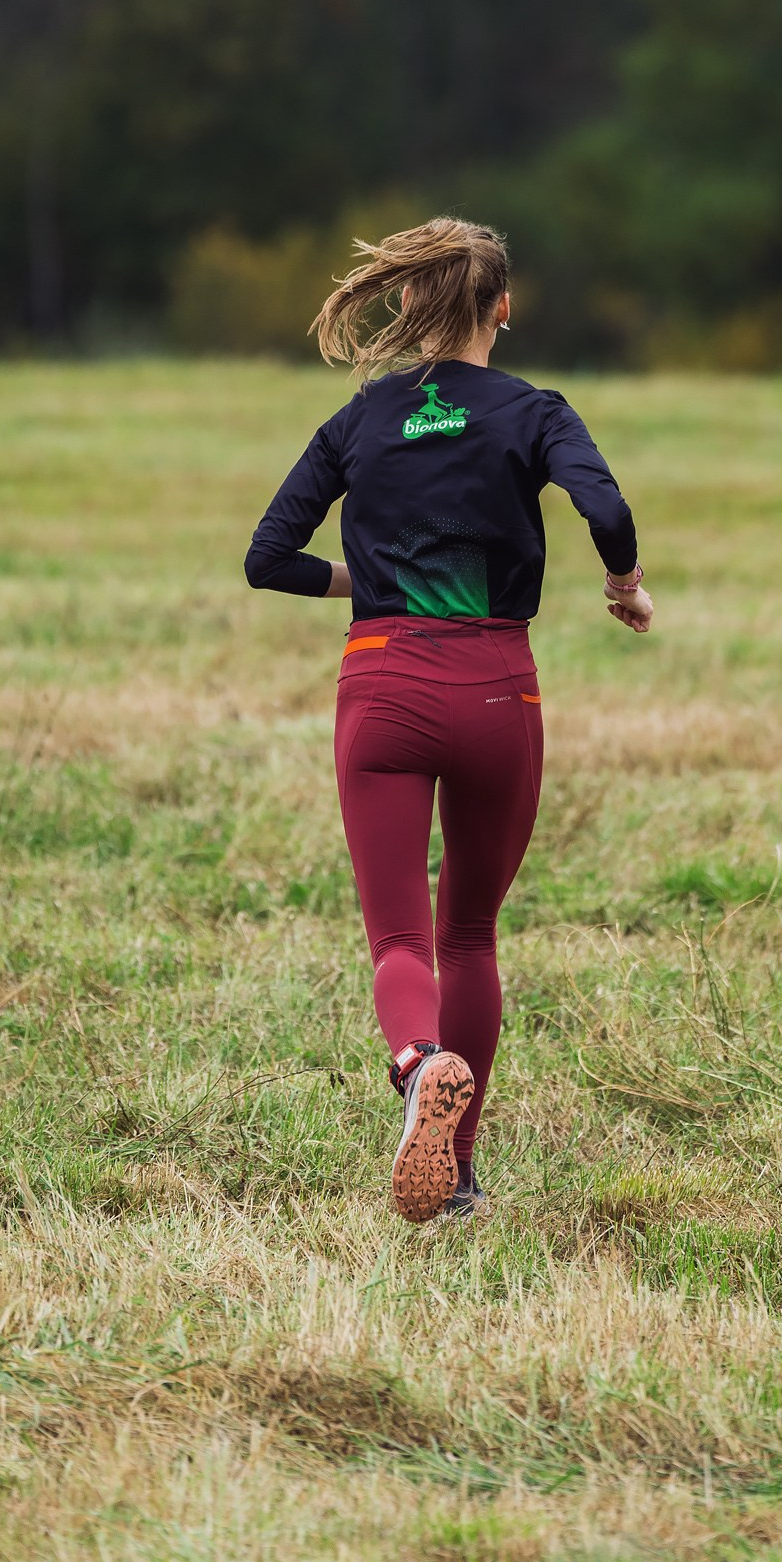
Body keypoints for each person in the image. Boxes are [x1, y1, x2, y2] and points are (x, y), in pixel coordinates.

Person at [244, 218, 651, 1224]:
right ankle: (457, 1175)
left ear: (411, 310)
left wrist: (365, 580)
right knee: (468, 932)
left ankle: (418, 1060)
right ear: (502, 309)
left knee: (398, 937)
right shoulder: (533, 410)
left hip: (382, 681)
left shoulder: (361, 420)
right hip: (493, 687)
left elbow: (268, 557)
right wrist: (623, 585)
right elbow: (604, 508)